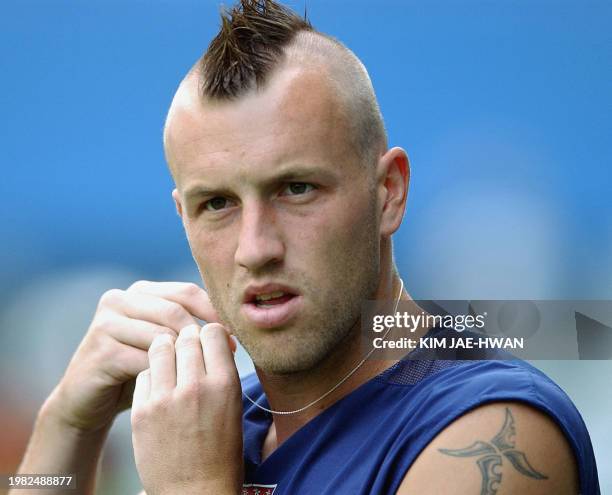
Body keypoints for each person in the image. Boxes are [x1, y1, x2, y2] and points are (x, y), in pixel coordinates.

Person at [12, 1, 600, 494]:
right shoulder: (212, 423)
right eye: (216, 203)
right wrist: (68, 423)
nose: (255, 248)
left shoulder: (493, 426)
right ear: (182, 217)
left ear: (388, 194)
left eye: (297, 189)